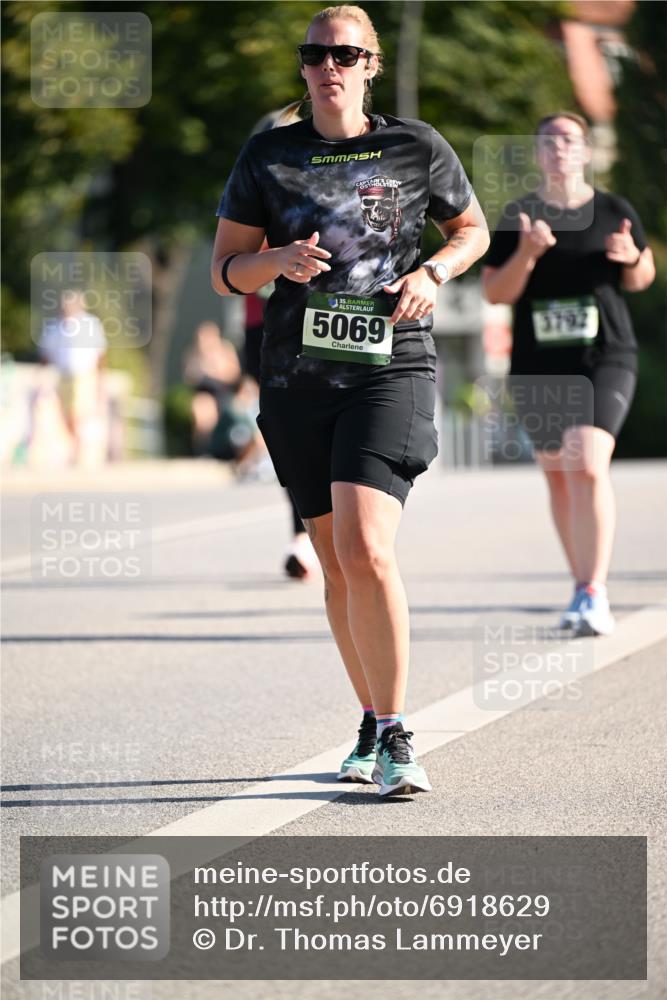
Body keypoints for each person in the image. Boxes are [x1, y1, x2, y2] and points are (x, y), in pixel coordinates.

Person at [212, 4, 489, 796]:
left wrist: (432, 273)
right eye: (314, 53)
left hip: (389, 366)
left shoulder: (415, 145)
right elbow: (225, 271)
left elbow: (471, 231)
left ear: (369, 65)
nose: (328, 65)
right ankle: (370, 715)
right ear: (302, 68)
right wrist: (278, 259)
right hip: (297, 379)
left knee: (368, 545)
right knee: (336, 564)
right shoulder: (268, 155)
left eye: (345, 53)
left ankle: (398, 735)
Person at [482, 112, 655, 636]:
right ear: (538, 154)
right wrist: (529, 255)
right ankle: (581, 584)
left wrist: (631, 259)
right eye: (550, 140)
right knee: (559, 474)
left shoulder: (612, 210)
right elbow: (495, 293)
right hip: (539, 363)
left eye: (570, 139)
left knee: (586, 461)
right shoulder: (518, 215)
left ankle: (593, 591)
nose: (560, 147)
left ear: (584, 152)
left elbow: (642, 275)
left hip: (606, 354)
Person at [38, 289, 107, 465]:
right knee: (65, 413)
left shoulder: (90, 324)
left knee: (79, 412)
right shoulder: (55, 326)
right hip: (63, 375)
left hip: (84, 375)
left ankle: (78, 448)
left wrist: (101, 378)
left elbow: (100, 354)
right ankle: (76, 446)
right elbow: (46, 354)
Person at [182, 321, 241, 455]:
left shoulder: (225, 350)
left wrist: (215, 370)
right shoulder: (194, 353)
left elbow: (235, 374)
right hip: (205, 392)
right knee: (202, 410)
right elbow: (189, 378)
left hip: (225, 391)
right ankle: (203, 449)